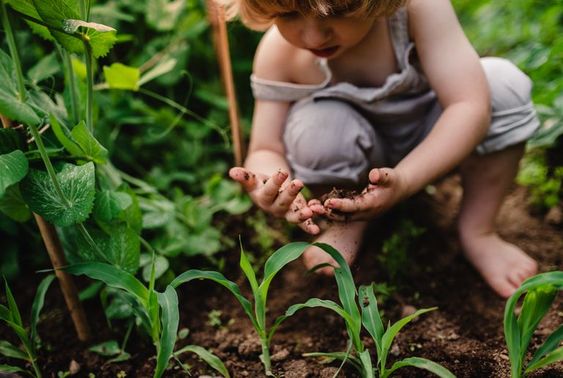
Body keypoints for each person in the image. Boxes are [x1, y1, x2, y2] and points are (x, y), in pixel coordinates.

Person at [221, 0, 539, 298]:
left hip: (435, 143)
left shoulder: (418, 10)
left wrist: (404, 180)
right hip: (352, 157)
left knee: (501, 85)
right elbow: (265, 147)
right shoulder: (280, 54)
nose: (314, 35)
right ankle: (349, 216)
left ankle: (478, 231)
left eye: (339, 11)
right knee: (316, 128)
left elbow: (467, 106)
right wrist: (269, 183)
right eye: (288, 14)